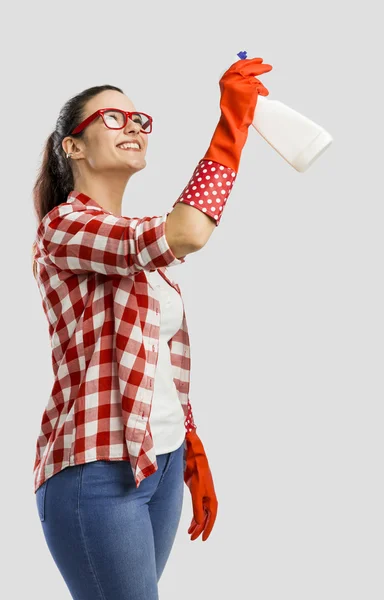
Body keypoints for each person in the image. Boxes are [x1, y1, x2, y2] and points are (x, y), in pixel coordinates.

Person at [31, 57, 272, 600]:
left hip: (158, 463)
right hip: (95, 470)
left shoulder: (134, 245)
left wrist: (188, 443)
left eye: (139, 118)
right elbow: (186, 231)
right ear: (73, 146)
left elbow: (154, 358)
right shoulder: (67, 227)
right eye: (114, 118)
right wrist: (231, 127)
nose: (135, 125)